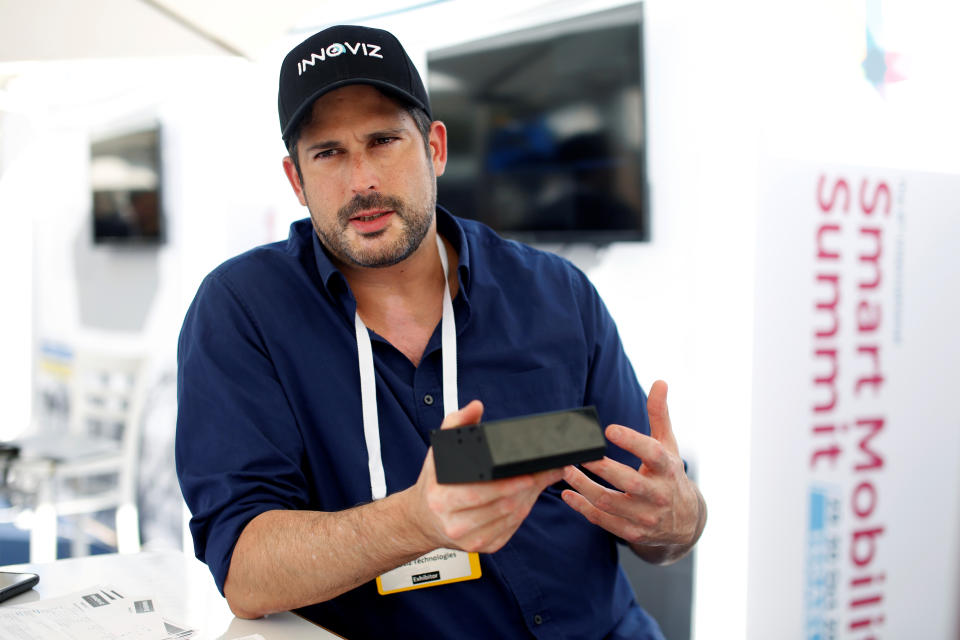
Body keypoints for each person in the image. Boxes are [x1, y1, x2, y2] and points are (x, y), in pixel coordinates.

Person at [176, 24, 706, 640]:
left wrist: (681, 520)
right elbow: (245, 569)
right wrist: (415, 522)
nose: (362, 181)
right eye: (329, 153)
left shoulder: (556, 296)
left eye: (383, 140)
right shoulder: (245, 313)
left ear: (435, 148)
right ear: (296, 180)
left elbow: (650, 517)